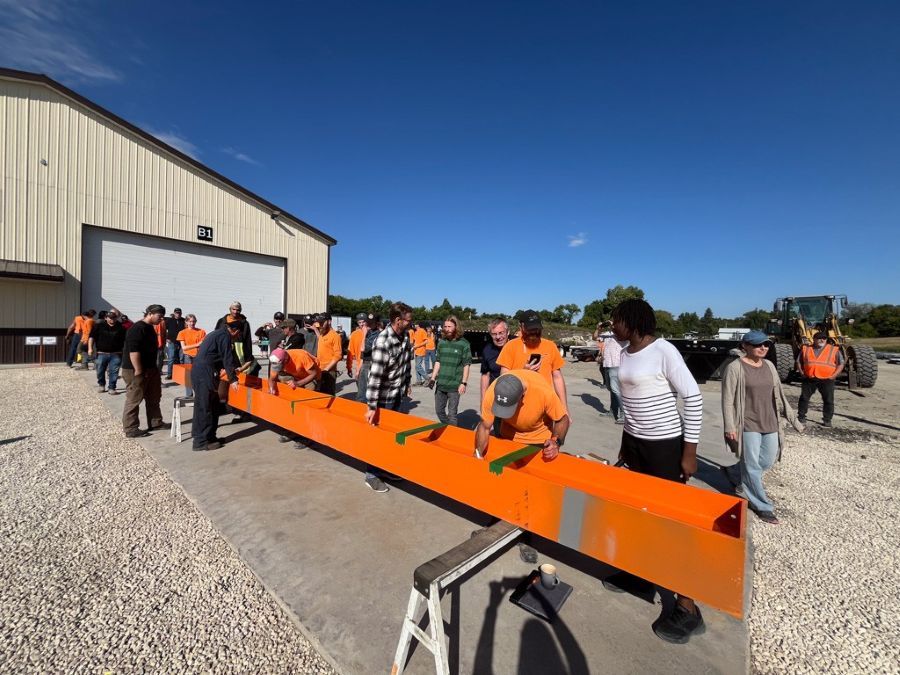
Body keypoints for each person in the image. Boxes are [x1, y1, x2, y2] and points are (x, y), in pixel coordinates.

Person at [608, 298, 704, 644]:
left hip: (665, 447)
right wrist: (624, 447)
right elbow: (631, 405)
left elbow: (693, 398)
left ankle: (688, 605)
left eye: (616, 320)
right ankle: (642, 576)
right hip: (636, 445)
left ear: (632, 321)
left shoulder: (664, 351)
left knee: (670, 525)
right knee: (639, 516)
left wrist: (689, 454)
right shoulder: (625, 353)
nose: (612, 325)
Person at [722, 330, 804, 525]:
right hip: (748, 423)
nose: (763, 348)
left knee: (767, 460)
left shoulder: (769, 365)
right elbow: (727, 399)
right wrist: (729, 426)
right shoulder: (734, 368)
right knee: (751, 465)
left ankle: (734, 472)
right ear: (745, 346)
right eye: (758, 345)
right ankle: (762, 505)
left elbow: (780, 394)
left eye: (766, 345)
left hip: (770, 421)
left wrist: (794, 420)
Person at [363, 302, 414, 493]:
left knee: (391, 437)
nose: (411, 323)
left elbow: (406, 361)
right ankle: (372, 474)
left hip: (397, 395)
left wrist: (407, 382)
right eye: (408, 320)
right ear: (398, 320)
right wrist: (371, 406)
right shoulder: (383, 342)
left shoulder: (405, 336)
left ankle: (386, 469)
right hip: (382, 399)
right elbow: (375, 378)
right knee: (378, 438)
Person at [474, 370, 569, 460]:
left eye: (509, 408)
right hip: (507, 436)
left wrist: (556, 442)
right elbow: (485, 427)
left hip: (537, 439)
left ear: (522, 396)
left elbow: (563, 419)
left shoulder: (543, 392)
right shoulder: (494, 390)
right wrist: (478, 453)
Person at [496, 310, 567, 412]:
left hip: (545, 409)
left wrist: (564, 408)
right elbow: (504, 378)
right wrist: (523, 372)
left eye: (536, 329)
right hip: (517, 408)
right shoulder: (511, 346)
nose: (533, 332)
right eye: (530, 329)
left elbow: (557, 377)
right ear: (521, 327)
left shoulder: (550, 346)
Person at [190, 320, 243, 451]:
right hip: (204, 373)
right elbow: (227, 357)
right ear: (235, 331)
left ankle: (210, 437)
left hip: (205, 370)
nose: (237, 337)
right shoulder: (224, 336)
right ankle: (200, 441)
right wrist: (233, 379)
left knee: (214, 406)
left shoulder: (217, 334)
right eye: (238, 334)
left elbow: (216, 355)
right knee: (205, 406)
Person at [121, 305, 168, 438]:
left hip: (150, 368)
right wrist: (139, 370)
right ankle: (131, 428)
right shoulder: (137, 329)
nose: (161, 319)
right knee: (134, 398)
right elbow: (133, 351)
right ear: (149, 314)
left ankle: (155, 422)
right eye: (159, 316)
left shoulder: (150, 328)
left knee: (154, 397)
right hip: (135, 370)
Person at [268, 347, 321, 447]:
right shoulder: (276, 360)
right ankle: (291, 432)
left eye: (281, 366)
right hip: (295, 375)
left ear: (285, 360)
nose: (279, 369)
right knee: (290, 406)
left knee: (305, 407)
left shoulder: (301, 356)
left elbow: (313, 373)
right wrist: (272, 388)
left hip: (310, 377)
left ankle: (306, 437)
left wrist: (298, 383)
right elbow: (272, 378)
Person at [428, 316, 471, 427]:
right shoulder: (441, 342)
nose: (447, 329)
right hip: (441, 384)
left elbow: (467, 364)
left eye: (449, 327)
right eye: (445, 326)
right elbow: (438, 362)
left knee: (452, 415)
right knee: (439, 411)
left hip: (454, 386)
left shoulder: (464, 344)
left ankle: (453, 436)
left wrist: (464, 383)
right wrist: (433, 378)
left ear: (456, 327)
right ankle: (449, 429)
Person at [796, 331, 845, 427]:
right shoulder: (806, 349)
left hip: (827, 379)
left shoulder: (834, 350)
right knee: (804, 398)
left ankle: (827, 420)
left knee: (828, 400)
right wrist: (802, 373)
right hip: (809, 378)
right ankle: (801, 417)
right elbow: (798, 361)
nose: (822, 340)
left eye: (824, 338)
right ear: (814, 339)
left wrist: (834, 375)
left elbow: (841, 364)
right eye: (819, 338)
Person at [480, 318, 509, 436]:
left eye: (501, 333)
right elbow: (485, 376)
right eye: (494, 334)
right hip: (497, 400)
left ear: (507, 332)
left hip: (518, 399)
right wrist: (483, 401)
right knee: (499, 432)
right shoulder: (487, 350)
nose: (498, 337)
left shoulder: (517, 346)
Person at [89, 309, 126, 394]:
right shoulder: (98, 326)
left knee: (114, 372)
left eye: (114, 318)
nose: (112, 319)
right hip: (101, 353)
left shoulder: (121, 327)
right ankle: (101, 385)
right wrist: (90, 348)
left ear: (117, 318)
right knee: (100, 371)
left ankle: (112, 388)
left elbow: (126, 340)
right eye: (110, 318)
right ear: (106, 318)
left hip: (116, 354)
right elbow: (91, 337)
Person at [600, 322, 626, 424]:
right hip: (607, 363)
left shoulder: (623, 332)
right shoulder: (607, 333)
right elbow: (595, 337)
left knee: (616, 389)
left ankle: (624, 415)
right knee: (610, 388)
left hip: (617, 364)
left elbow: (622, 336)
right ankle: (613, 411)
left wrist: (613, 327)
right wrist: (599, 328)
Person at [176, 314, 206, 398]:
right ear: (186, 322)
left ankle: (199, 394)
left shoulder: (201, 331)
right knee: (188, 376)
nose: (192, 323)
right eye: (190, 321)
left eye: (193, 321)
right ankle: (189, 395)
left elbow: (203, 345)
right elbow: (184, 347)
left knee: (199, 376)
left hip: (199, 356)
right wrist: (197, 344)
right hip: (188, 356)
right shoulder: (182, 333)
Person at [314, 313, 342, 395]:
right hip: (319, 370)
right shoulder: (322, 335)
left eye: (322, 323)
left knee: (328, 395)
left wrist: (327, 369)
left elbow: (338, 355)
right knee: (319, 395)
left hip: (329, 372)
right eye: (319, 323)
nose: (320, 325)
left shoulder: (335, 336)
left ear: (329, 322)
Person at [163, 308, 186, 381]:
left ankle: (181, 375)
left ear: (181, 313)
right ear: (174, 313)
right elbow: (163, 329)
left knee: (181, 359)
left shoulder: (184, 320)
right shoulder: (169, 320)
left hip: (182, 342)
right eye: (176, 313)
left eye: (179, 313)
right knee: (171, 359)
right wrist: (166, 338)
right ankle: (170, 374)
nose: (178, 314)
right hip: (172, 342)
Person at [346, 312, 367, 385]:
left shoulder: (372, 333)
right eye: (359, 322)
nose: (362, 324)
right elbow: (350, 353)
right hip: (359, 368)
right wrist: (349, 367)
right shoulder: (354, 334)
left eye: (364, 322)